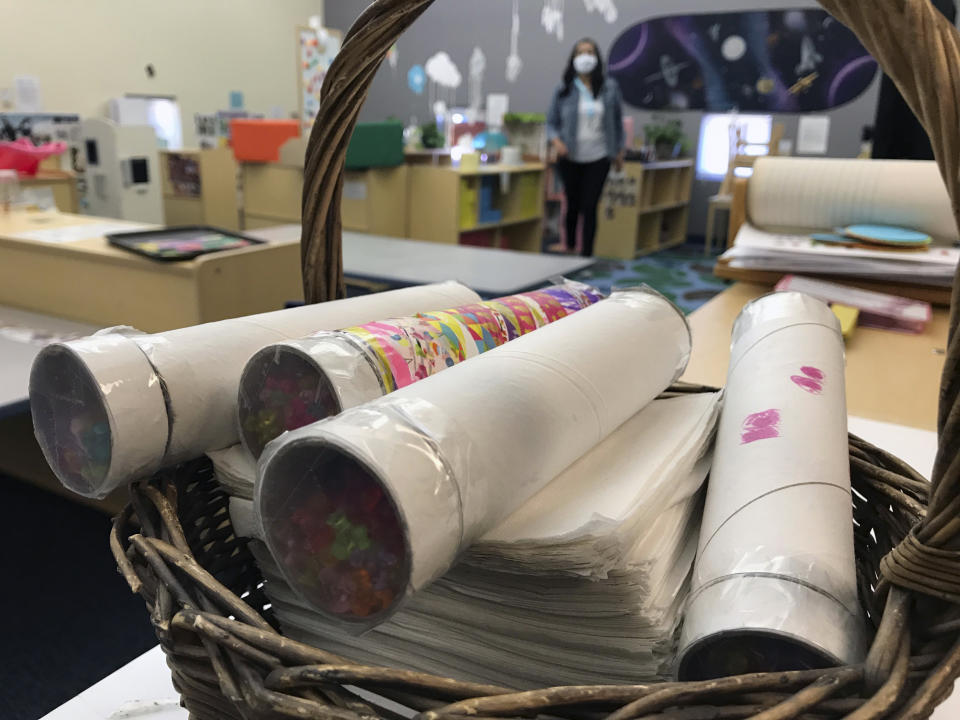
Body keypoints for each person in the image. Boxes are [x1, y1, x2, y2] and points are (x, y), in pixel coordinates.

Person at [547, 38, 626, 257]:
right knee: (572, 205)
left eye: (590, 52)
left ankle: (586, 257)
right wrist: (557, 142)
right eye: (580, 52)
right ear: (573, 59)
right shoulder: (564, 89)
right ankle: (570, 248)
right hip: (570, 156)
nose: (585, 57)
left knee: (590, 206)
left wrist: (619, 150)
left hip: (600, 156)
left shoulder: (609, 88)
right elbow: (551, 123)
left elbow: (618, 123)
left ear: (597, 57)